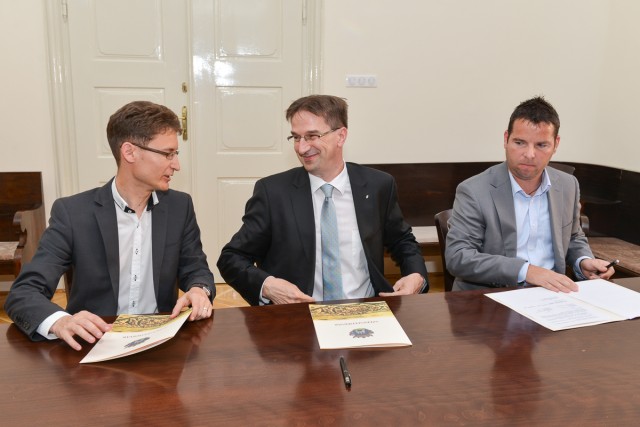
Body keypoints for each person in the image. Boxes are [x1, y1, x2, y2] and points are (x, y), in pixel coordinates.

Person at [5, 100, 215, 350]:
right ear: (129, 152)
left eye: (176, 154)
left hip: (161, 343)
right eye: (167, 154)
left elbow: (195, 267)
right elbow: (24, 292)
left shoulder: (180, 207)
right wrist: (61, 322)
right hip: (94, 343)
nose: (176, 164)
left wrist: (199, 289)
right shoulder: (73, 213)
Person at [217, 94, 428, 305]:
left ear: (341, 136)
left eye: (312, 136)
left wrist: (415, 275)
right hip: (299, 314)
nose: (301, 148)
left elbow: (402, 241)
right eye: (296, 138)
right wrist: (268, 286)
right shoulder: (273, 193)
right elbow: (231, 258)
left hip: (366, 308)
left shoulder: (377, 185)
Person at [445, 96, 615, 292]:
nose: (529, 154)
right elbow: (459, 256)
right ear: (506, 139)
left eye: (541, 145)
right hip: (490, 297)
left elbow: (573, 238)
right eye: (520, 142)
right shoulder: (474, 190)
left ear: (556, 144)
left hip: (552, 295)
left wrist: (583, 261)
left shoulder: (568, 185)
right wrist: (526, 271)